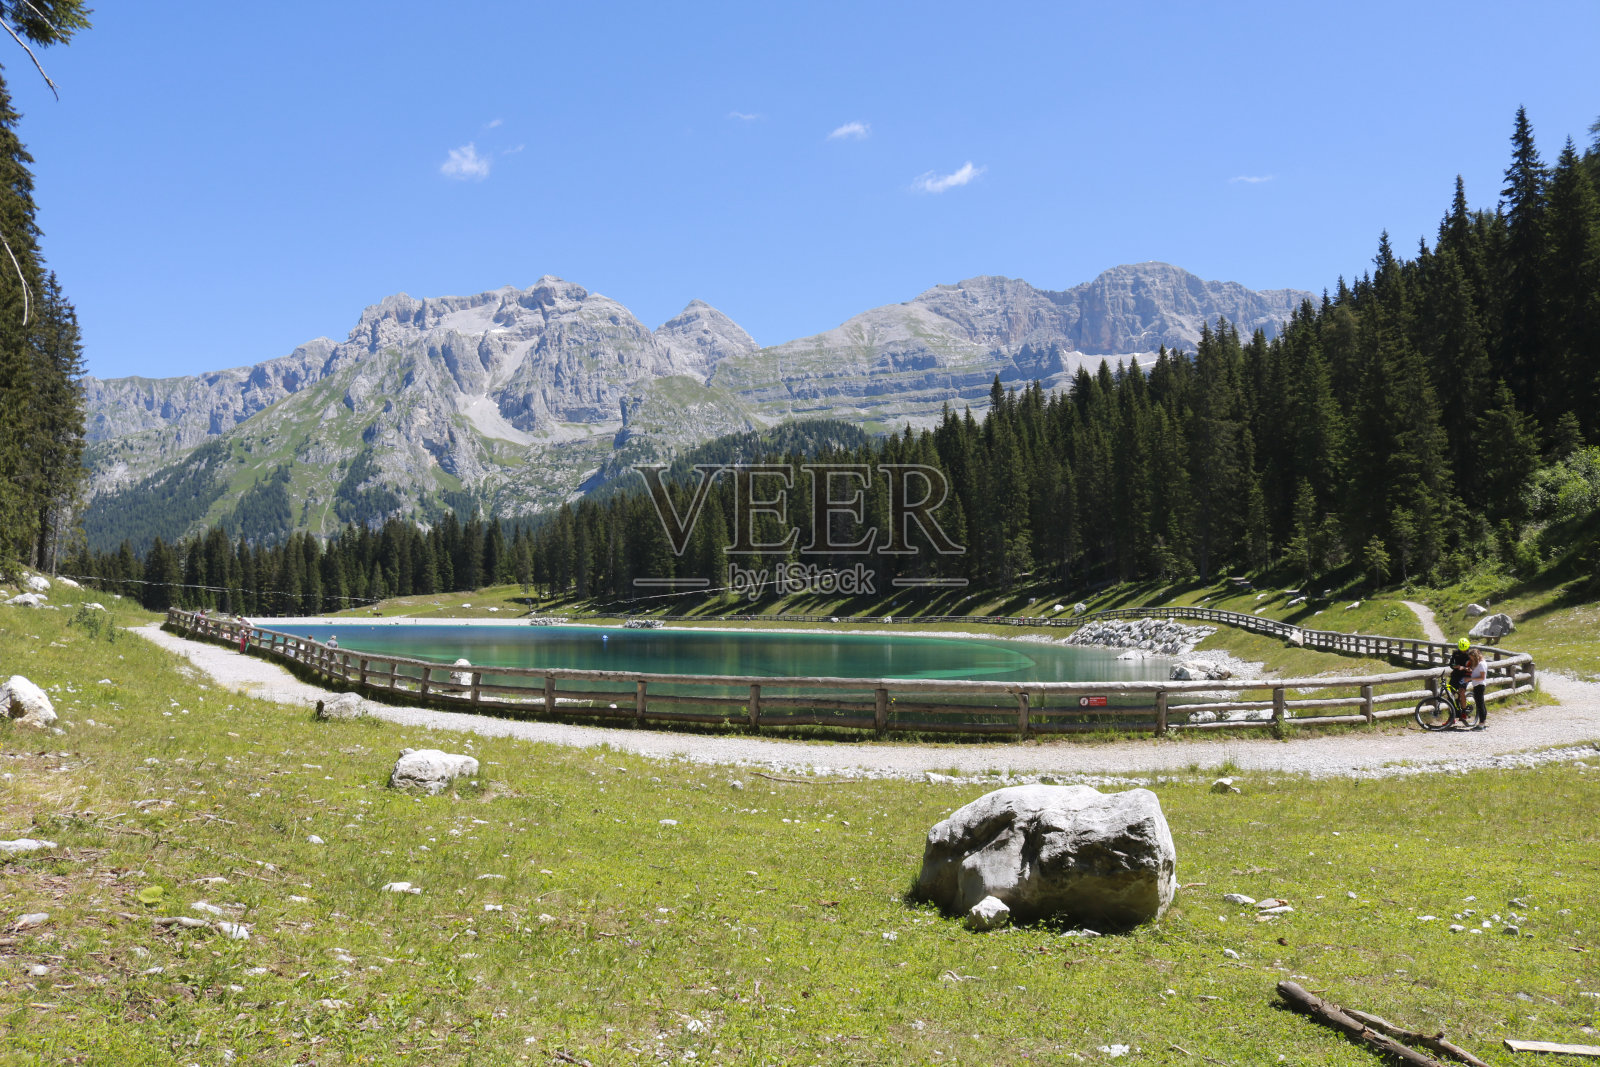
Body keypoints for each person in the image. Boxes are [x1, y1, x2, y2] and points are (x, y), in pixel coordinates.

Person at [1448, 638, 1472, 725]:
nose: (1463, 651)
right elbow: (1451, 664)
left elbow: (1473, 668)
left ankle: (1464, 712)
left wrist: (1464, 668)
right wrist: (1456, 666)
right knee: (1450, 695)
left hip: (1466, 676)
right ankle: (1452, 716)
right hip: (1456, 675)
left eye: (1464, 649)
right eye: (1461, 649)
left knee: (1461, 692)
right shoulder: (1455, 653)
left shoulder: (1471, 655)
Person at [1466, 648, 1488, 729]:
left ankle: (1481, 723)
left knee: (1480, 705)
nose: (1471, 660)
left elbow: (1482, 677)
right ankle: (1483, 721)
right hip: (1477, 685)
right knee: (1480, 704)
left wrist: (1471, 678)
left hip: (1480, 685)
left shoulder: (1481, 664)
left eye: (1472, 658)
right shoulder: (1478, 663)